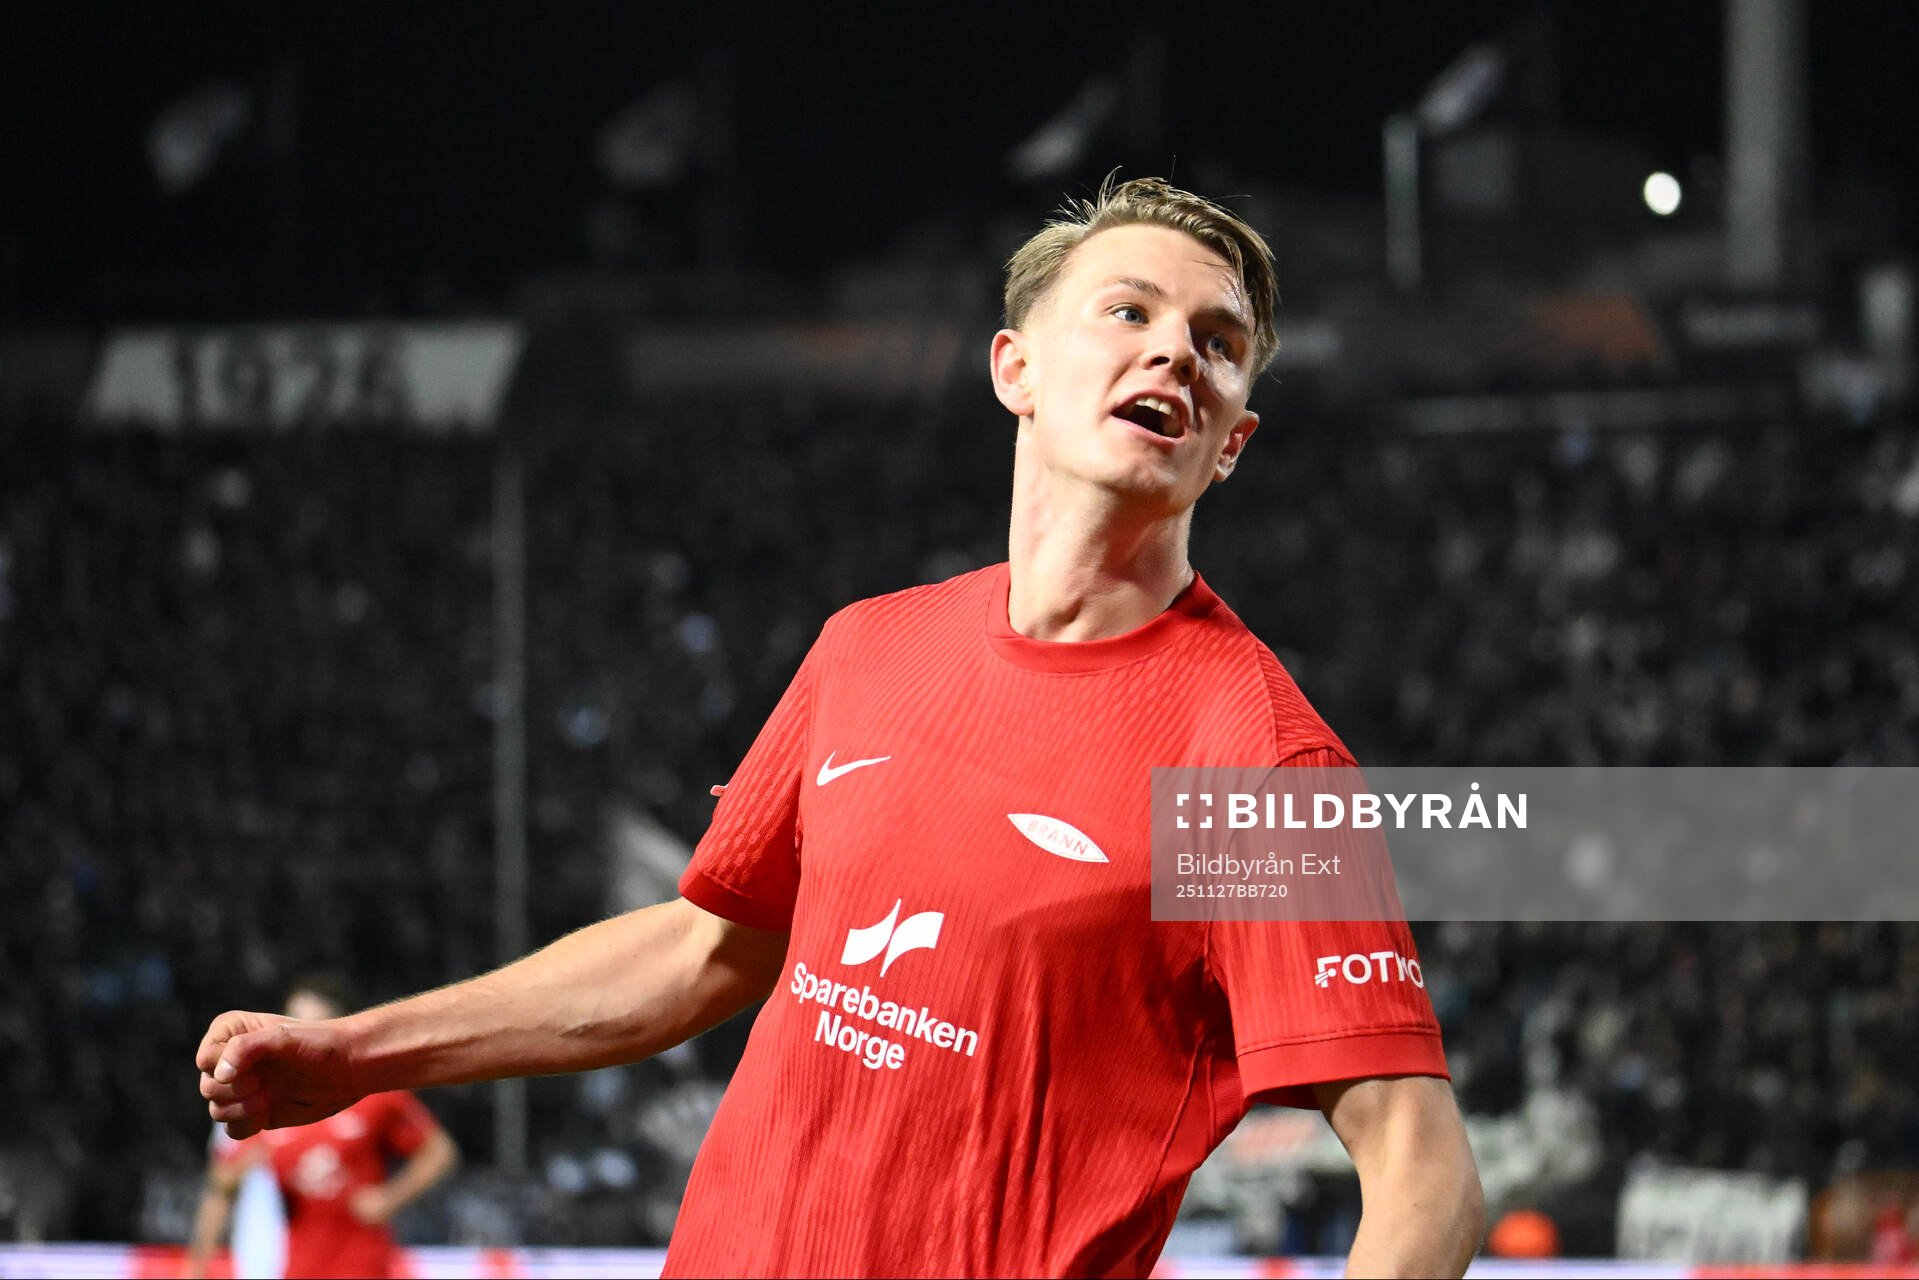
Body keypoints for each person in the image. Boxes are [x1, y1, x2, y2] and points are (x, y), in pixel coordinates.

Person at [198, 176, 1484, 1277]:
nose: (1174, 352)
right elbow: (705, 950)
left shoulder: (1258, 758)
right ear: (1014, 369)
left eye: (1217, 342)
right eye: (1128, 310)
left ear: (1230, 445)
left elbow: (1422, 1172)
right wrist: (357, 1051)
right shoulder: (869, 645)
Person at [186, 976, 459, 1279]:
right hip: (298, 1269)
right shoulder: (271, 1104)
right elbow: (221, 1184)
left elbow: (439, 1153)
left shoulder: (373, 1093)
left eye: (313, 1025)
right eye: (292, 1026)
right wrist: (197, 1267)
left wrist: (390, 1198)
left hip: (364, 1268)